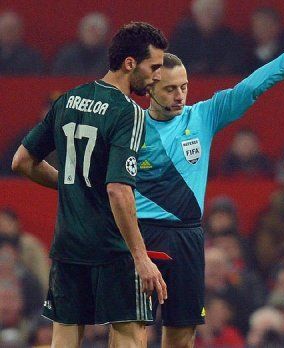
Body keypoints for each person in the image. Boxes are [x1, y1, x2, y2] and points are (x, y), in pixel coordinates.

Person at [135, 15, 284, 348]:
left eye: (184, 86)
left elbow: (251, 86)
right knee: (133, 329)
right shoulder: (131, 127)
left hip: (187, 236)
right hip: (142, 236)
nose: (180, 95)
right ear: (149, 88)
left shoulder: (202, 116)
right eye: (170, 89)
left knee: (182, 333)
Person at [11, 22, 168, 347]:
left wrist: (72, 186)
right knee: (130, 333)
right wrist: (140, 257)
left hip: (69, 245)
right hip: (113, 247)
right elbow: (118, 188)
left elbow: (22, 162)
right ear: (129, 63)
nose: (157, 76)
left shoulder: (67, 99)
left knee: (64, 338)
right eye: (153, 67)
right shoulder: (129, 113)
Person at [168, 0, 244, 75]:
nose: (212, 15)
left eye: (216, 12)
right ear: (196, 13)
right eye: (206, 11)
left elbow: (234, 64)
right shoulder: (182, 36)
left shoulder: (230, 37)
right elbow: (172, 63)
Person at [0, 11, 44, 75]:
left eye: (12, 29)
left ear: (20, 32)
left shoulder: (32, 57)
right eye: (5, 29)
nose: (9, 33)